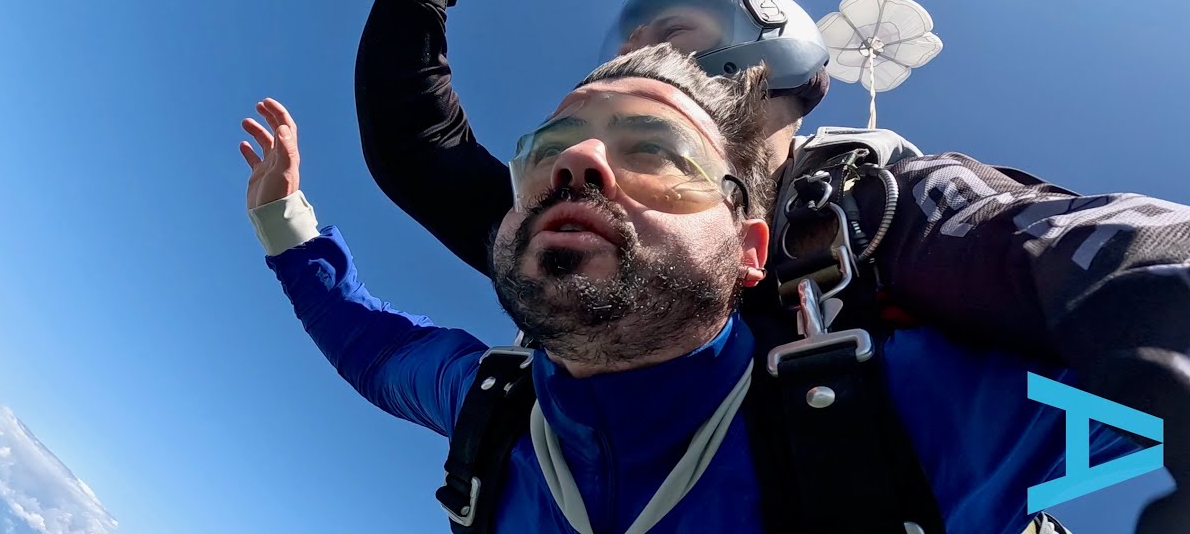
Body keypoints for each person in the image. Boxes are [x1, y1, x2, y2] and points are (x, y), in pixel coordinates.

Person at [354, 0, 1190, 530]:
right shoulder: (590, 216)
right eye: (628, 48)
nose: (637, 61)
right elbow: (419, 153)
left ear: (764, 56)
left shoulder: (873, 204)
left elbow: (1093, 251)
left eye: (671, 39)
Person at [242, 45, 1133, 534]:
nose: (579, 163)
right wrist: (287, 222)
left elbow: (1138, 388)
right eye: (551, 149)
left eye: (655, 153)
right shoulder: (496, 412)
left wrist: (1012, 234)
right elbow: (370, 346)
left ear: (752, 249)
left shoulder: (898, 415)